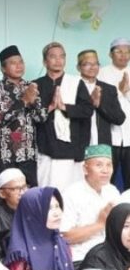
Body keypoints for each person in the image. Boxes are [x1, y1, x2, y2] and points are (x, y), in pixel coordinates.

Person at [0, 45, 45, 202]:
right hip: (4, 154)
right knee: (4, 199)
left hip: (27, 153)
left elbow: (41, 118)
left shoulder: (30, 87)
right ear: (3, 68)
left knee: (30, 196)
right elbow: (0, 119)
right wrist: (24, 100)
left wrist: (34, 102)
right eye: (13, 63)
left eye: (21, 62)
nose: (19, 66)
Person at [33, 42, 93, 190]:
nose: (58, 60)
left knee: (70, 193)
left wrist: (64, 107)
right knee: (46, 191)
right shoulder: (36, 85)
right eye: (53, 57)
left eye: (62, 56)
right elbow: (31, 116)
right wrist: (50, 108)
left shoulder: (76, 83)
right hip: (45, 147)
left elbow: (87, 110)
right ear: (44, 61)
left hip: (71, 148)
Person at [60, 144, 120, 270]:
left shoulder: (113, 191)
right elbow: (65, 236)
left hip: (113, 257)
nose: (105, 170)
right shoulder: (71, 194)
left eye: (109, 165)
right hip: (84, 259)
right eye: (99, 165)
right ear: (85, 169)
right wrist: (100, 224)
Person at [76, 50, 125, 149]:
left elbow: (119, 118)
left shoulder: (109, 89)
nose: (92, 67)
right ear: (78, 67)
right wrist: (90, 103)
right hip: (77, 145)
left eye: (95, 64)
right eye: (87, 64)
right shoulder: (72, 87)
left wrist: (99, 105)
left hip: (102, 146)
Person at [98, 38, 130, 188]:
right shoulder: (101, 73)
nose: (123, 55)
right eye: (119, 51)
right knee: (106, 180)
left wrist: (126, 92)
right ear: (110, 54)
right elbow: (99, 102)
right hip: (109, 136)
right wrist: (119, 91)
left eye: (127, 52)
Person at [0, 168, 28, 261]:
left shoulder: (33, 209)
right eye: (15, 189)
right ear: (2, 193)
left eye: (24, 187)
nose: (22, 192)